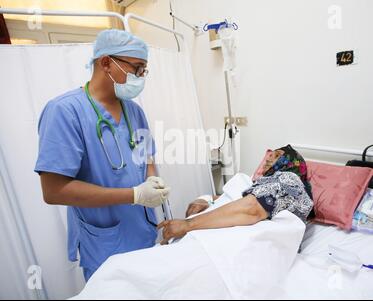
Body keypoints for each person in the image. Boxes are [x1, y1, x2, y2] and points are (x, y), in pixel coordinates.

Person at [34, 29, 170, 281]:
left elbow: (146, 158)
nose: (141, 77)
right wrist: (134, 195)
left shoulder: (134, 112)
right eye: (137, 68)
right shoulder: (64, 112)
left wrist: (152, 180)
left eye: (144, 71)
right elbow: (54, 191)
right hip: (106, 244)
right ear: (106, 62)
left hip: (143, 233)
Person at [158, 145, 313, 244]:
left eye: (277, 155)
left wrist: (187, 225)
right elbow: (234, 198)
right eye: (270, 153)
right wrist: (204, 199)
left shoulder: (290, 180)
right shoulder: (260, 184)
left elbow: (251, 208)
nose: (269, 156)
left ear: (290, 163)